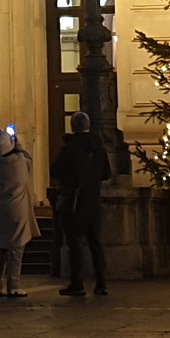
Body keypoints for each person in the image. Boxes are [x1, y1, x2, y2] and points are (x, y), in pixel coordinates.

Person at [49, 112, 112, 296]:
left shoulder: (70, 147)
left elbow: (56, 170)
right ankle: (101, 283)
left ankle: (77, 282)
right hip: (92, 201)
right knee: (95, 243)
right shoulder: (98, 147)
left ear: (73, 126)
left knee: (74, 243)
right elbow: (107, 173)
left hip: (74, 202)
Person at [0, 125, 39, 298]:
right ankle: (13, 285)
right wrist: (17, 142)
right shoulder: (19, 161)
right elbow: (29, 159)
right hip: (16, 207)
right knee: (16, 247)